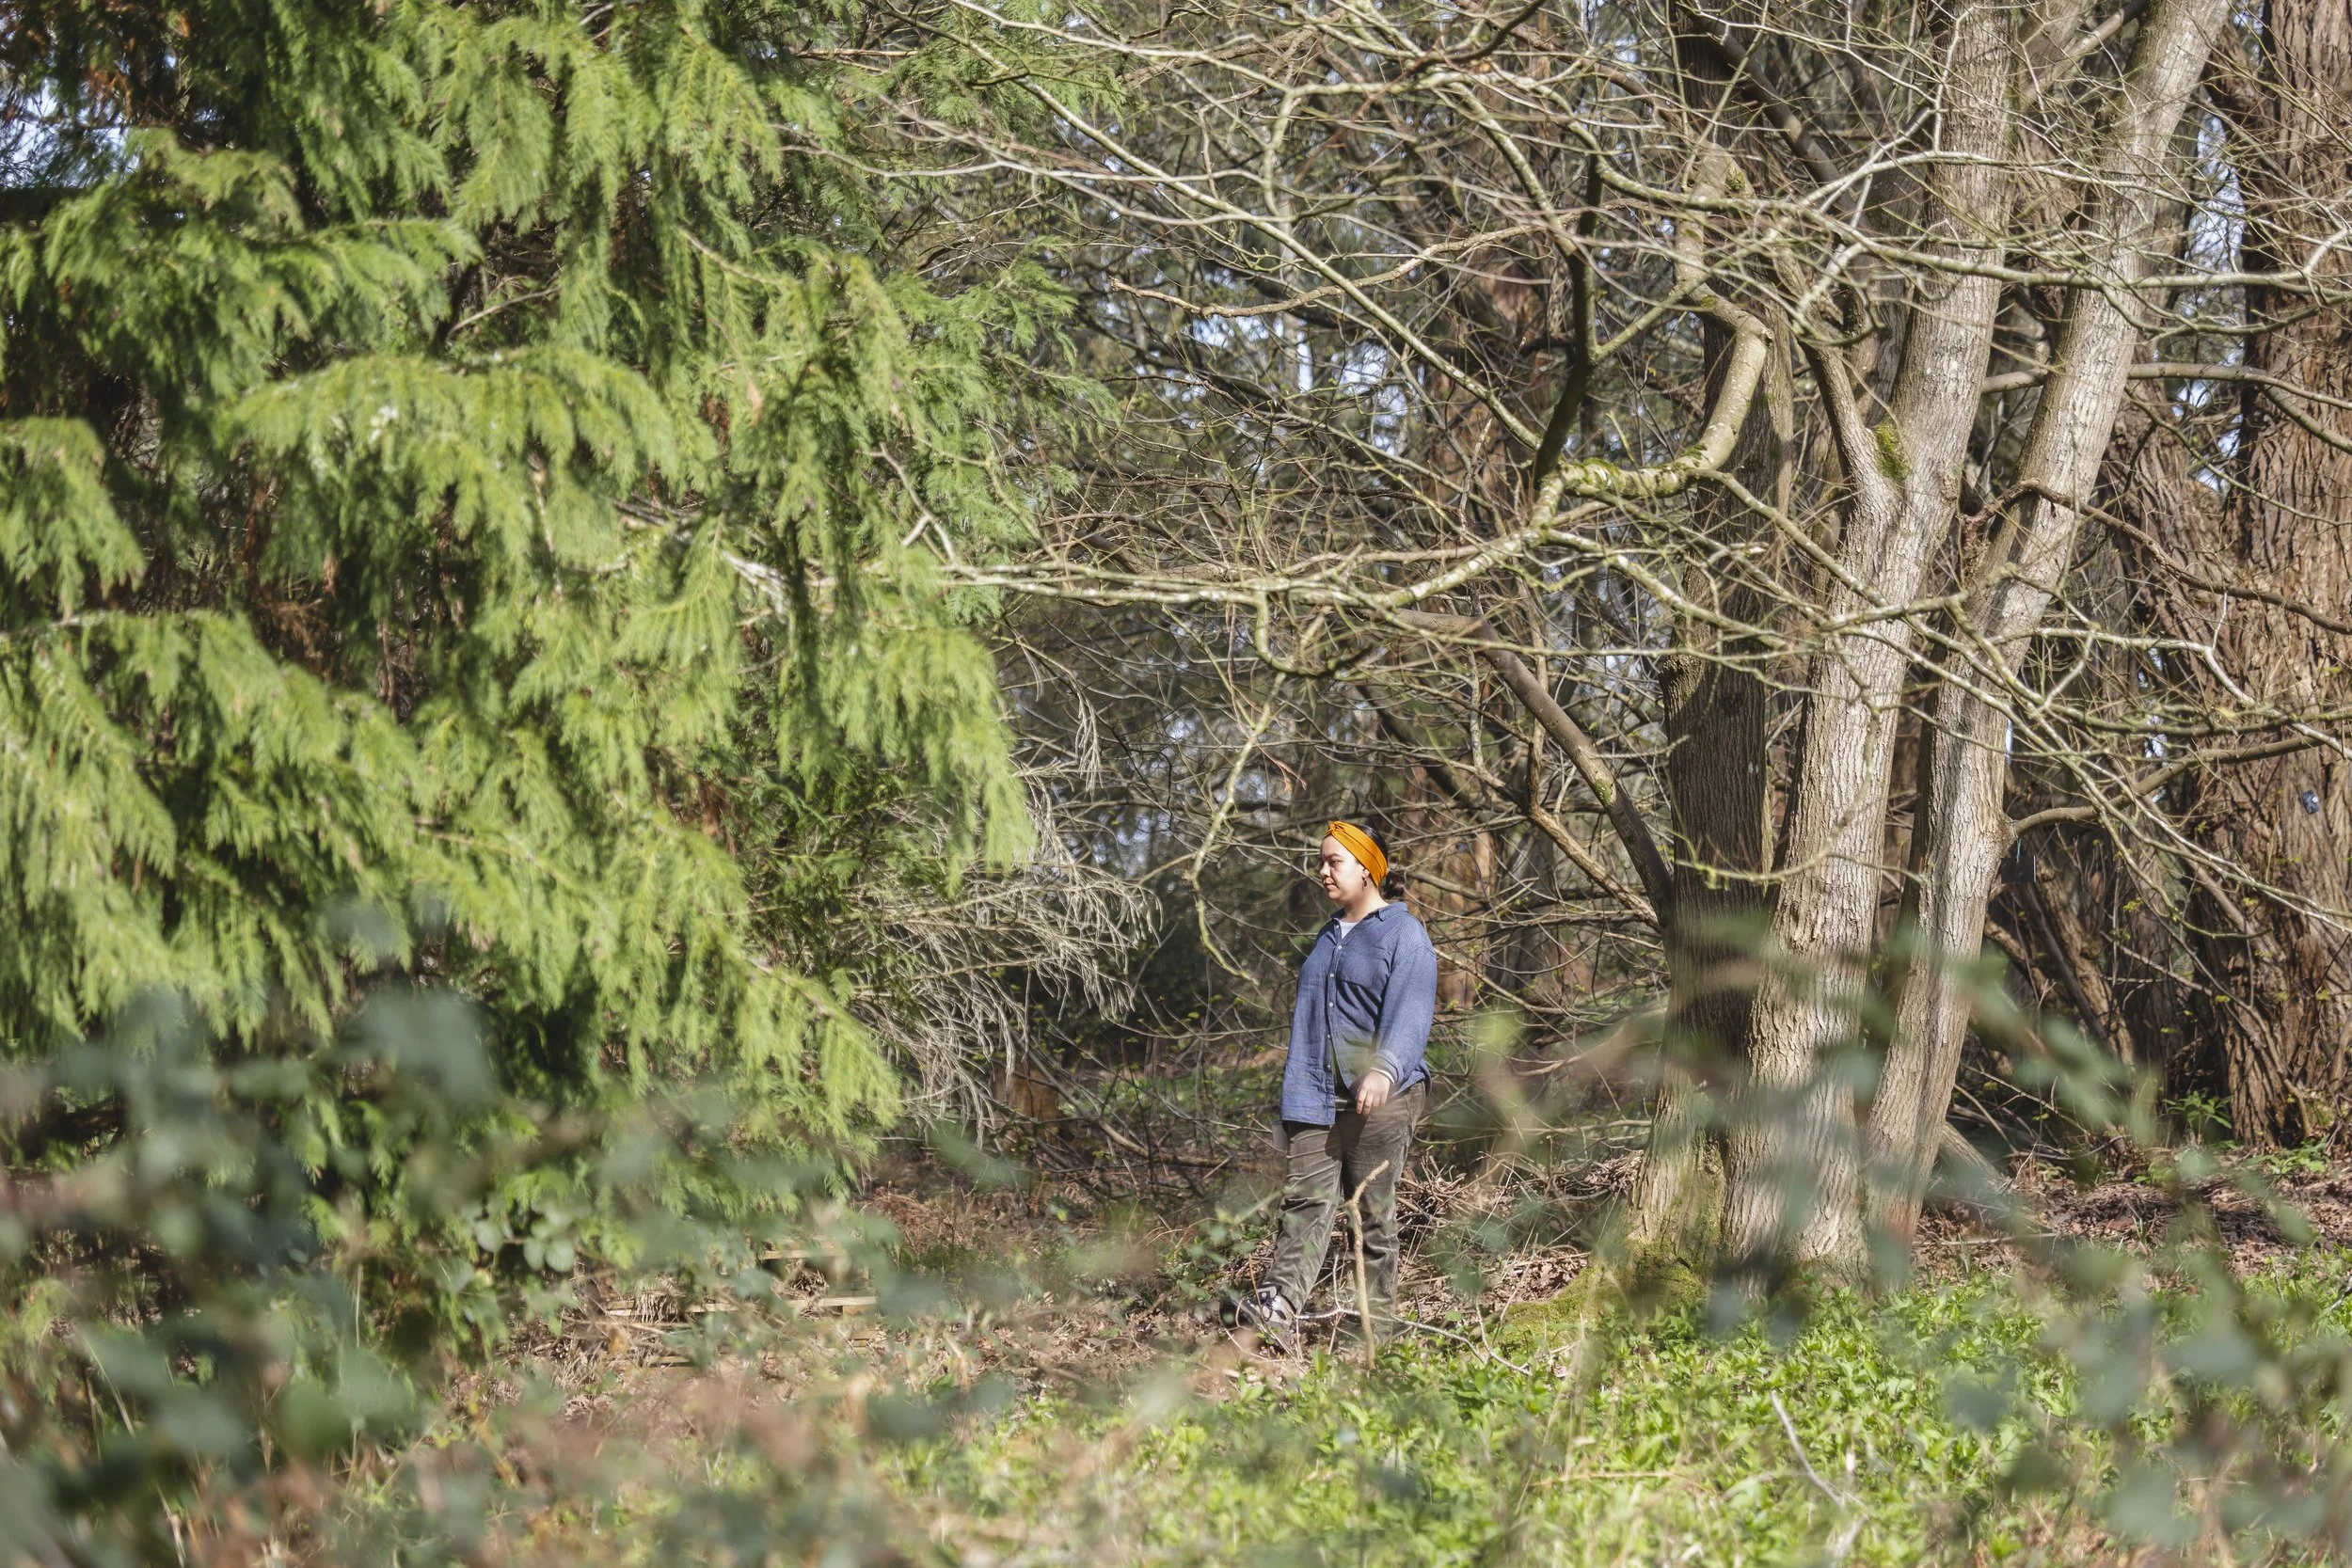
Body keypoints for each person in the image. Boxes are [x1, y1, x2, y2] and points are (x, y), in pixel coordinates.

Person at [1249, 819, 1438, 1344]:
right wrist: (1292, 1107)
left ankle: (1373, 1336)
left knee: (1372, 1217)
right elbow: (1307, 1024)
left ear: (1368, 868)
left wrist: (1384, 1069)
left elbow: (1412, 1011)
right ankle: (1275, 1315)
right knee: (1304, 1205)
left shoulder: (1405, 934)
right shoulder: (1327, 936)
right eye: (1321, 861)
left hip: (1385, 1097)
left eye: (1334, 861)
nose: (1323, 871)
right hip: (1316, 1098)